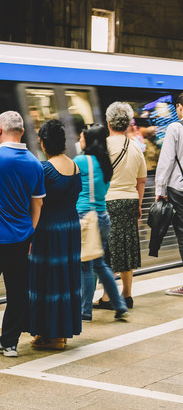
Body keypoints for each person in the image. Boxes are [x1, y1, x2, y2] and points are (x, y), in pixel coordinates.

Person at [0, 111, 45, 358]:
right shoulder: (35, 163)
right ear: (23, 132)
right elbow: (36, 206)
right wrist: (30, 235)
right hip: (21, 237)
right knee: (18, 292)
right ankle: (9, 343)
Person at [28, 120, 83, 350]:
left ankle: (51, 335)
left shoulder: (45, 169)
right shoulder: (75, 167)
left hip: (48, 230)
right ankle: (63, 332)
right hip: (71, 227)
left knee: (49, 281)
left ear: (43, 143)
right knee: (66, 279)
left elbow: (36, 203)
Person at [76, 123, 128, 321]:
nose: (80, 139)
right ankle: (120, 304)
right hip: (103, 216)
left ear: (88, 140)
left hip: (86, 217)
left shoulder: (81, 160)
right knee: (100, 264)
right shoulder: (105, 163)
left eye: (82, 136)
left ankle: (84, 311)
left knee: (85, 266)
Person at [101, 102, 147, 307]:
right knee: (127, 246)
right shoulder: (135, 145)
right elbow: (142, 180)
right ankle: (127, 294)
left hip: (108, 201)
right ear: (128, 123)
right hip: (130, 200)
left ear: (109, 122)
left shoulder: (103, 146)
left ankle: (107, 296)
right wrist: (138, 203)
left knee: (108, 249)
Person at [155, 92, 183, 296]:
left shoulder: (175, 128)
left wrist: (159, 191)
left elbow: (166, 162)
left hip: (179, 190)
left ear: (180, 108)